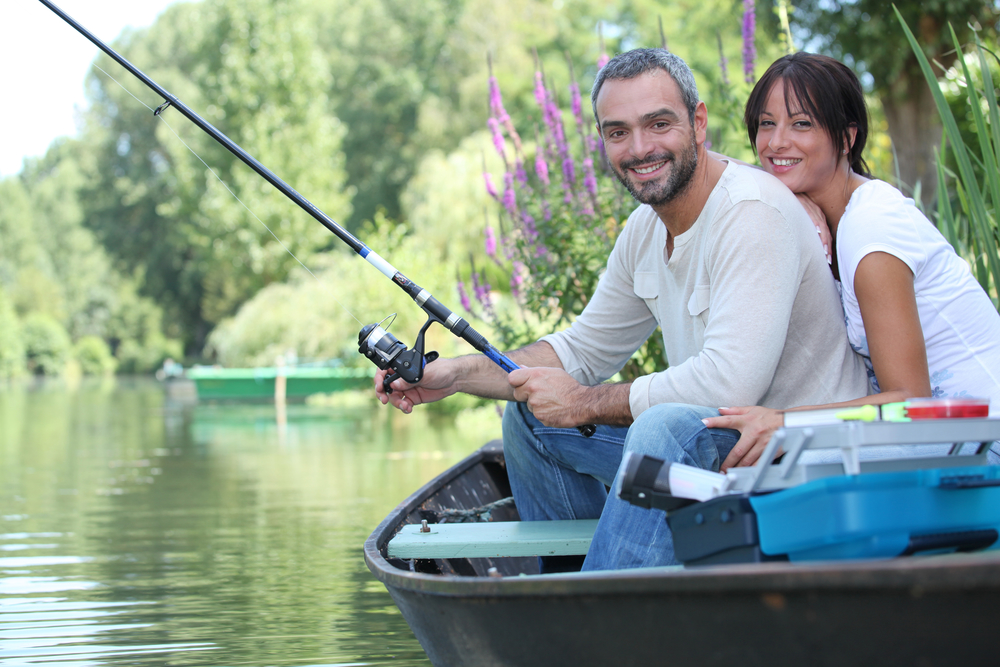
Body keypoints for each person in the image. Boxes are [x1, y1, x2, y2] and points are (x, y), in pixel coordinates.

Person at [375, 48, 869, 571]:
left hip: (805, 462)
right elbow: (580, 351)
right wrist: (454, 374)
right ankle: (571, 588)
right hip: (725, 456)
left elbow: (727, 386)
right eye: (618, 132)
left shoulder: (751, 213)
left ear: (698, 123)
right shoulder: (645, 230)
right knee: (530, 413)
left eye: (659, 124)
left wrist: (584, 403)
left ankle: (595, 621)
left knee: (664, 429)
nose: (639, 148)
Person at [702, 52, 1000, 468]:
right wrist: (793, 199)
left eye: (801, 123)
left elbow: (910, 399)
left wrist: (787, 422)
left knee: (782, 463)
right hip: (943, 436)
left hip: (984, 439)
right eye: (766, 123)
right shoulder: (832, 213)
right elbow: (716, 170)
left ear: (847, 137)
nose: (775, 142)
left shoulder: (870, 228)